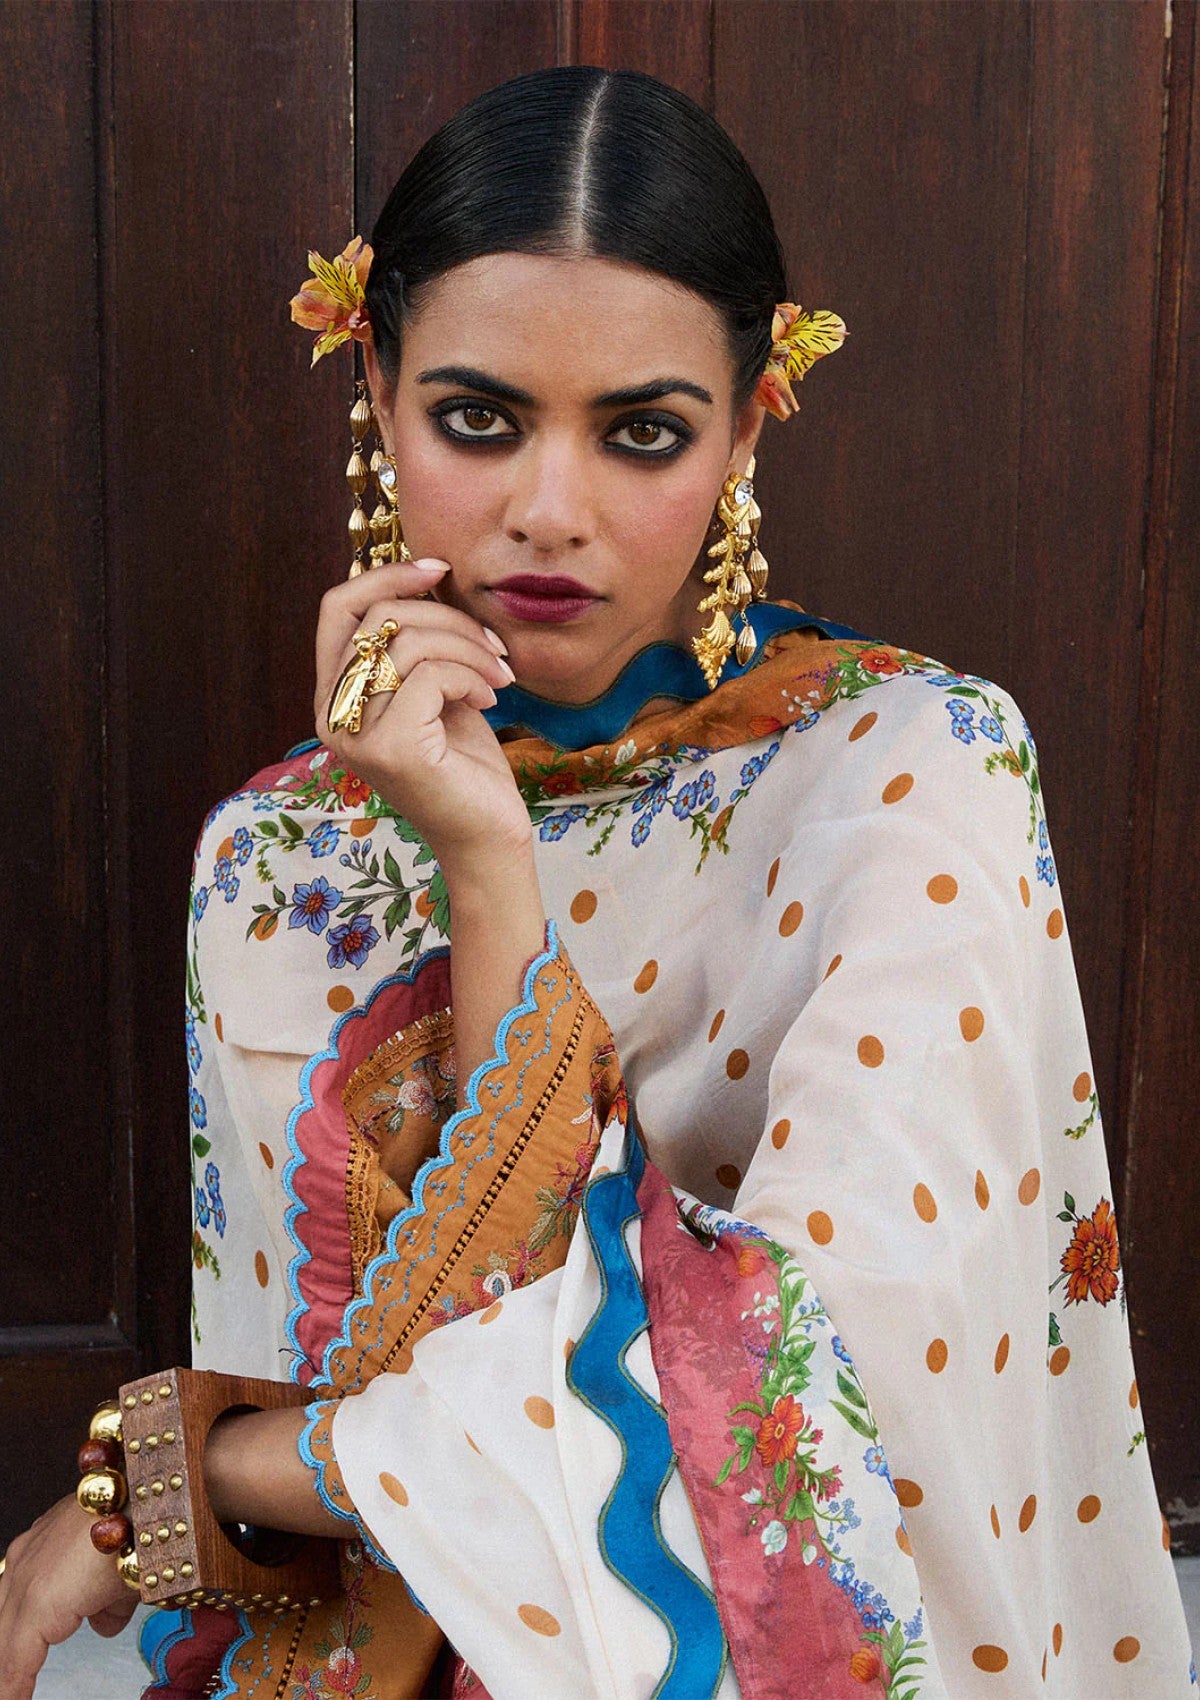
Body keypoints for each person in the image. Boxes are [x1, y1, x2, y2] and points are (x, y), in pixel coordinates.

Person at [0, 65, 1192, 1700]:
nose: (548, 513)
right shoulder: (285, 854)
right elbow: (349, 1367)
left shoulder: (910, 778)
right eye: (477, 420)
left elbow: (789, 1413)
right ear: (377, 385)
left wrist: (185, 1478)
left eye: (644, 433)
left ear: (750, 424)